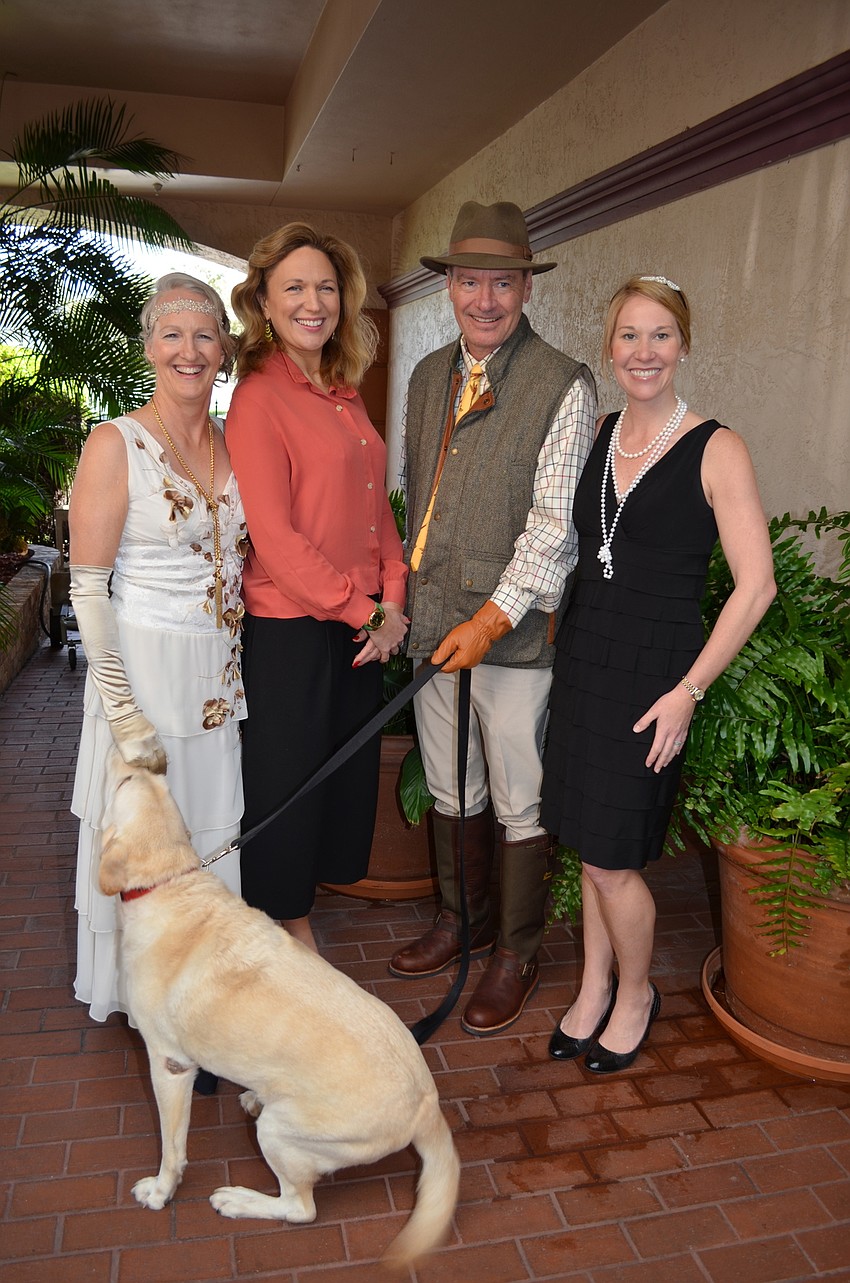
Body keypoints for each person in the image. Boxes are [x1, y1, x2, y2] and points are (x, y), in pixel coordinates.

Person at [541, 274, 776, 1073]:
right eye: (629, 336)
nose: (644, 351)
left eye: (660, 335)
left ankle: (636, 992)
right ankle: (594, 982)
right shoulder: (605, 429)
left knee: (613, 856)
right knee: (587, 841)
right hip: (586, 659)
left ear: (683, 343)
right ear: (611, 346)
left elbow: (758, 586)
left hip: (655, 678)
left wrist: (689, 690)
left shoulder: (718, 447)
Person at [388, 201, 597, 1036]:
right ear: (449, 286)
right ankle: (458, 919)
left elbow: (555, 528)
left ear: (524, 287)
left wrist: (495, 615)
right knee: (449, 780)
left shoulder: (564, 383)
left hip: (512, 638)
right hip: (434, 618)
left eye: (501, 282)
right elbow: (419, 507)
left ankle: (514, 950)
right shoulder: (428, 373)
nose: (484, 298)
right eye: (469, 281)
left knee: (518, 795)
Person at [70, 273, 247, 1027]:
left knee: (209, 834)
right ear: (148, 348)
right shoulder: (116, 442)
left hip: (217, 678)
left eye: (204, 334)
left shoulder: (236, 441)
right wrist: (123, 714)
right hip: (141, 677)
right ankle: (150, 1000)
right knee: (147, 846)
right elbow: (87, 589)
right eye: (172, 334)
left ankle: (202, 994)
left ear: (223, 352)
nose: (189, 349)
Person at [226, 222, 408, 954]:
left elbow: (375, 508)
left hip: (359, 626)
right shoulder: (259, 399)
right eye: (294, 287)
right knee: (287, 790)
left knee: (338, 784)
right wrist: (364, 607)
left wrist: (392, 598)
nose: (313, 301)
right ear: (264, 303)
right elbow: (274, 541)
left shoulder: (343, 390)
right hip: (292, 630)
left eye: (326, 287)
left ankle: (297, 921)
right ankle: (289, 931)